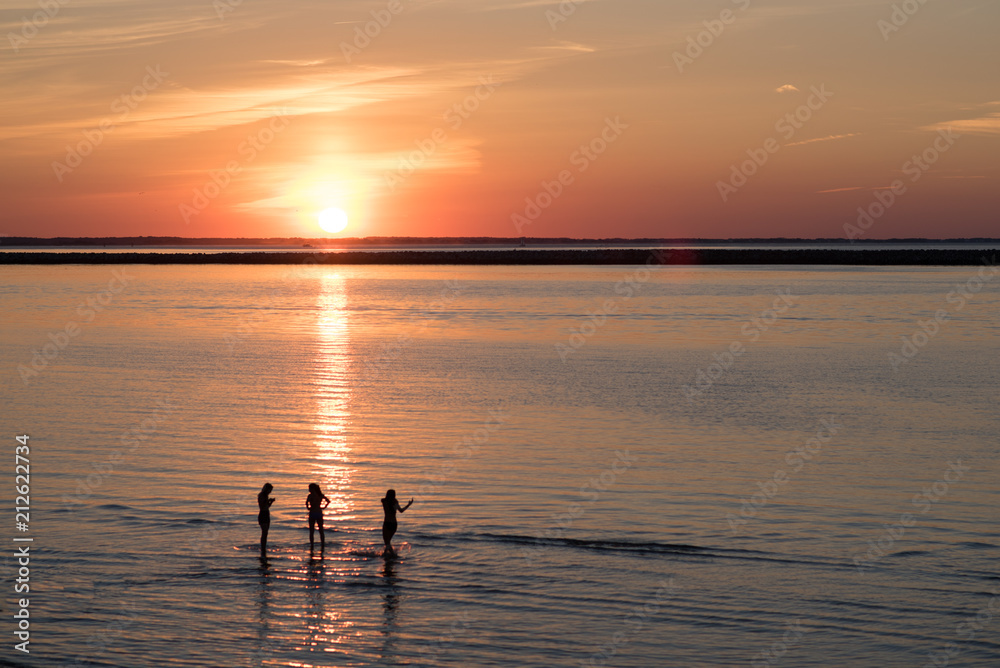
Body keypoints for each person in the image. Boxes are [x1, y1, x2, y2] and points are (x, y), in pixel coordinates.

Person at [380, 489, 413, 556]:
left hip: (386, 523)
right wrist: (408, 504)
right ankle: (387, 554)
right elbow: (401, 511)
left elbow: (382, 500)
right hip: (394, 524)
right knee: (387, 542)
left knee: (387, 542)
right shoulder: (395, 502)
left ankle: (391, 555)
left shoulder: (384, 502)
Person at [305, 483, 331, 548]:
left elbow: (306, 503)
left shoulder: (311, 496)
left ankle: (315, 545)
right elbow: (328, 501)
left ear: (313, 489)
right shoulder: (320, 495)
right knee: (319, 530)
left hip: (314, 513)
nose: (309, 490)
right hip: (317, 513)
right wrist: (323, 507)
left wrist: (308, 507)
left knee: (314, 531)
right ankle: (320, 544)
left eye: (310, 488)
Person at [257, 483, 274, 553]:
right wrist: (268, 501)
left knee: (266, 532)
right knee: (264, 532)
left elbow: (267, 506)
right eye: (270, 490)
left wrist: (270, 502)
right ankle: (262, 547)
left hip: (266, 513)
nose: (270, 492)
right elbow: (262, 505)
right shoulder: (261, 495)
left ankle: (264, 546)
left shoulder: (266, 496)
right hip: (263, 514)